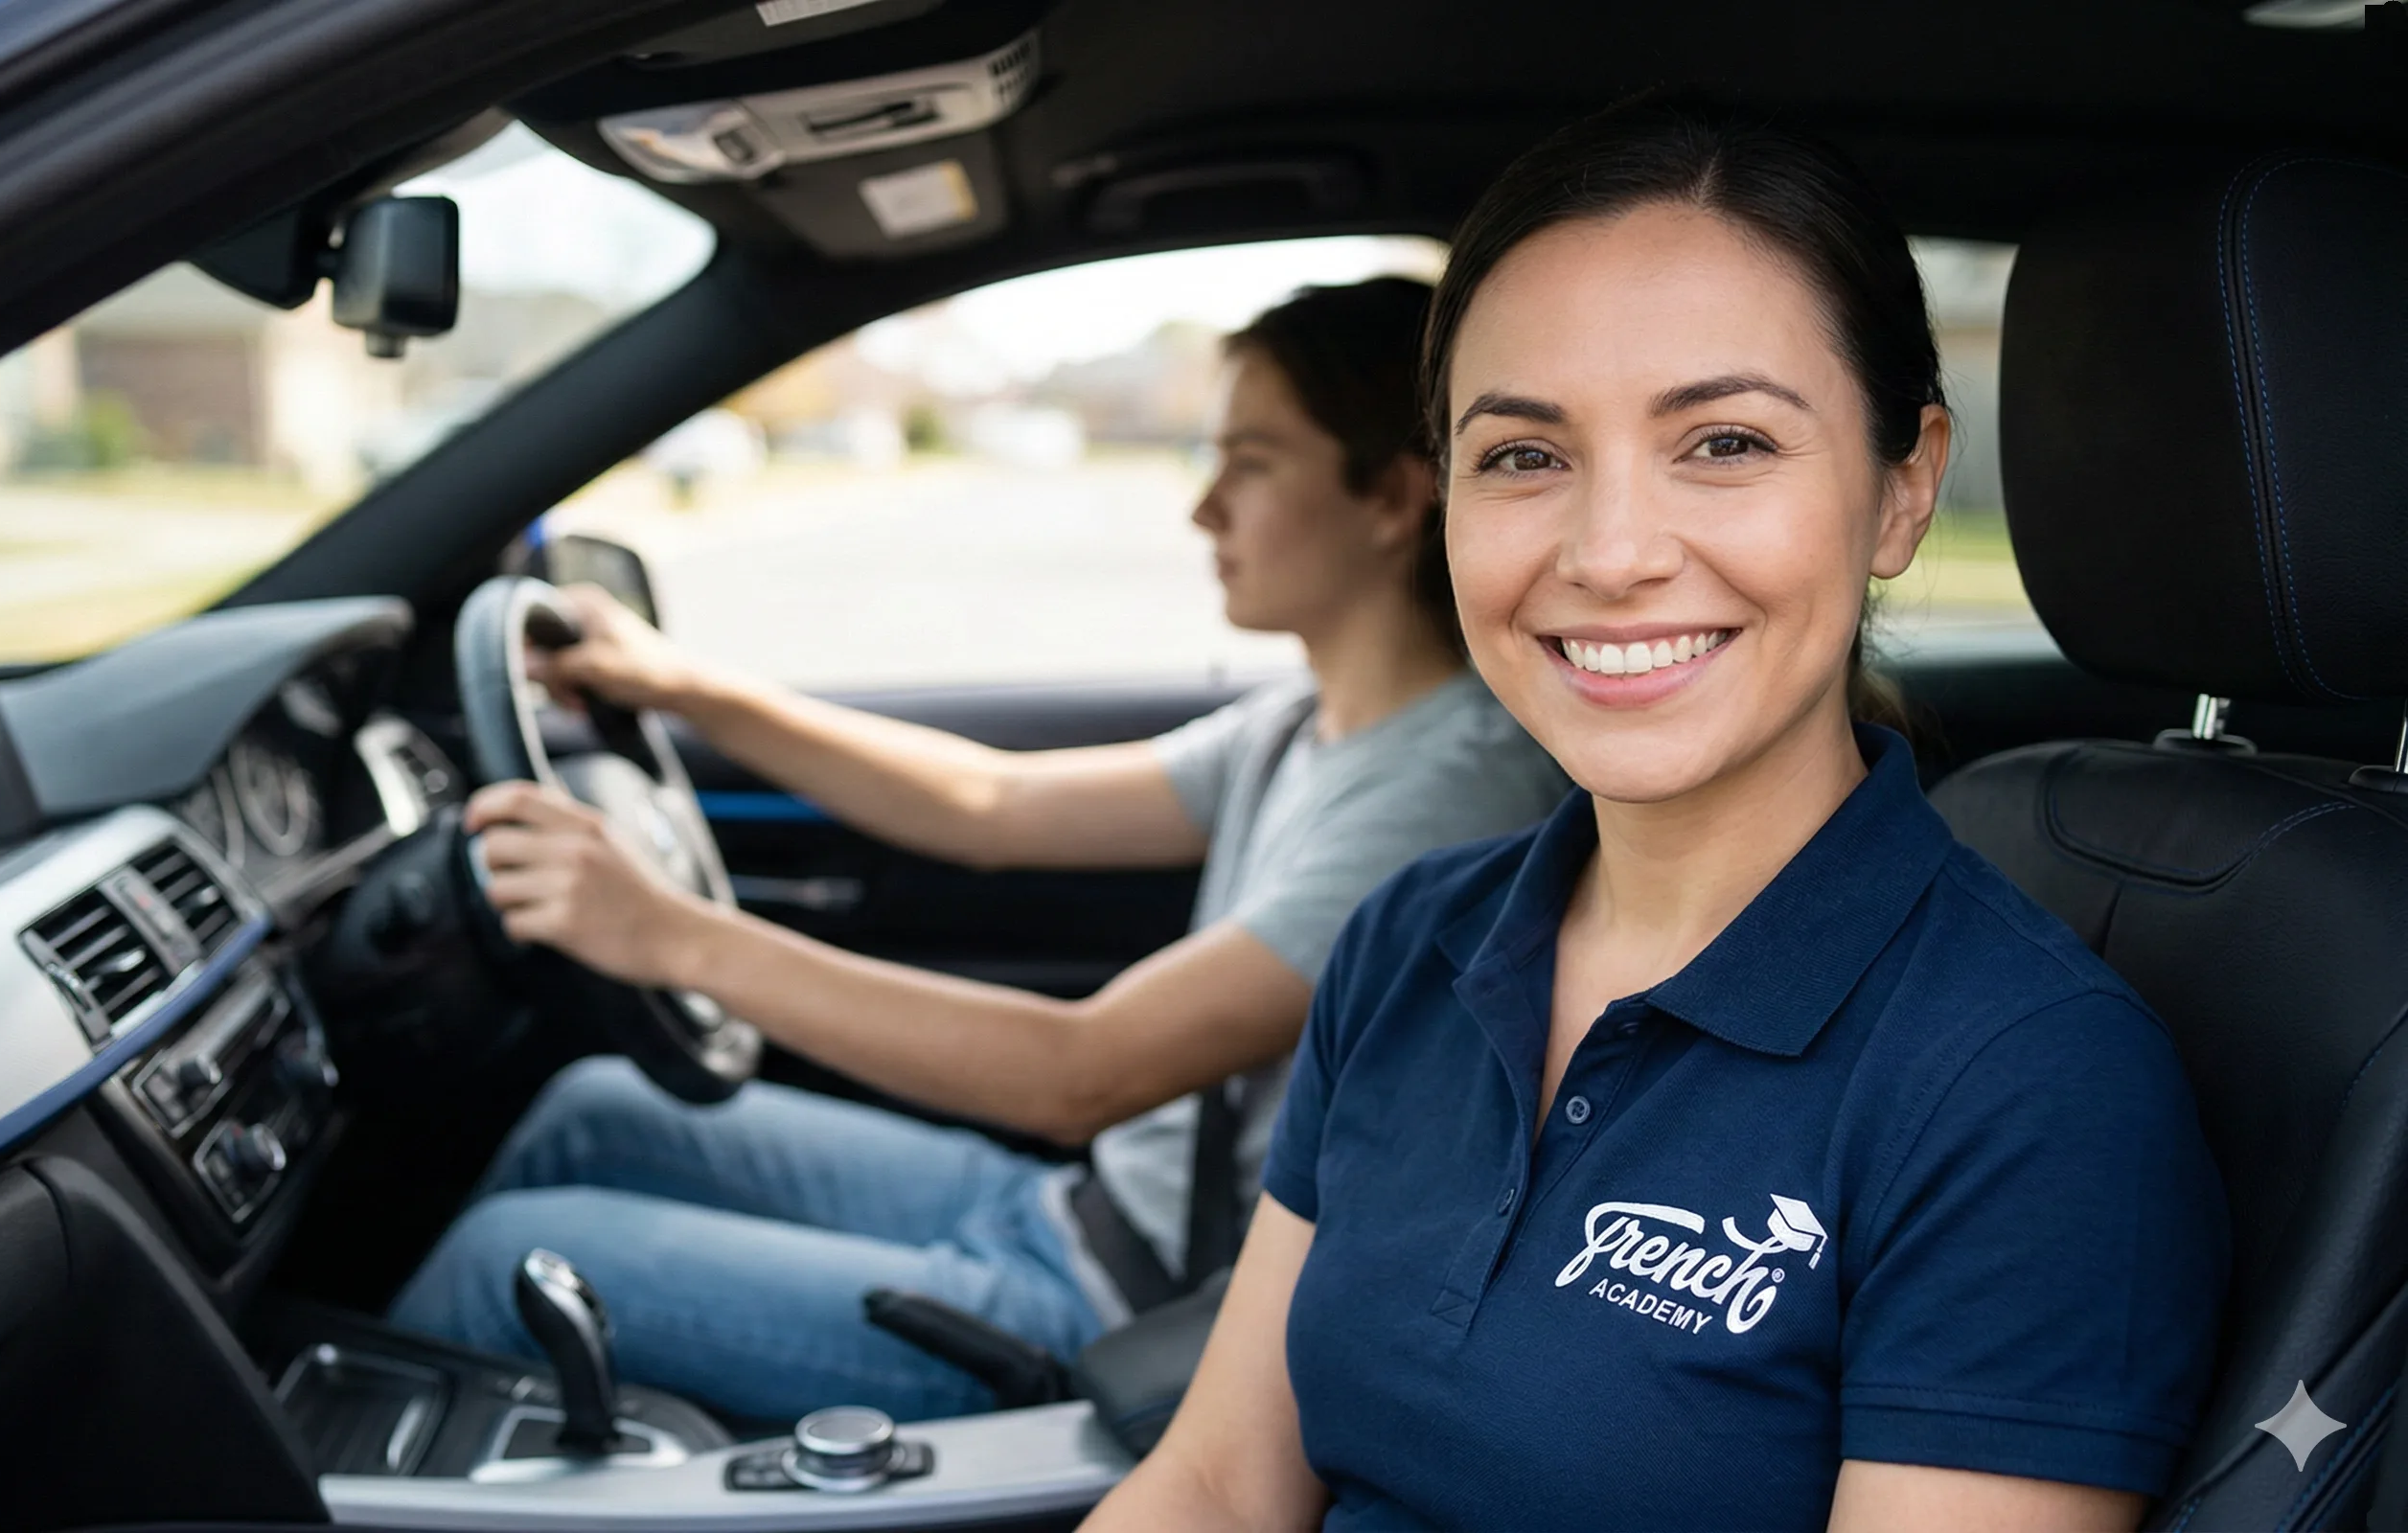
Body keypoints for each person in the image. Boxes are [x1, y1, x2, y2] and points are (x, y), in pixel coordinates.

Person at [1087, 107, 2230, 1532]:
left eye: (1727, 440)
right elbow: (1214, 1485)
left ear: (1903, 488)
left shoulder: (2030, 1087)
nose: (1611, 553)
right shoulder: (1409, 947)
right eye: (1521, 456)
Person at [388, 278, 1570, 1424]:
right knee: (593, 1108)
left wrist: (667, 934)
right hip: (1079, 1206)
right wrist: (679, 683)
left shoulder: (1440, 795)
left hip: (1128, 1303)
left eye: (1249, 464)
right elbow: (988, 803)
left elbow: (1081, 1072)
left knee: (507, 1259)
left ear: (1392, 499)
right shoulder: (1300, 725)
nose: (1202, 508)